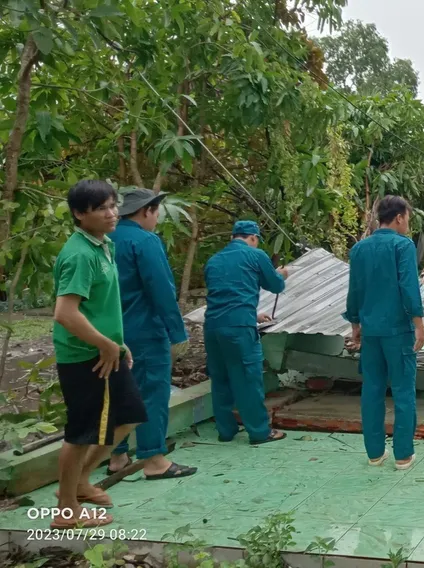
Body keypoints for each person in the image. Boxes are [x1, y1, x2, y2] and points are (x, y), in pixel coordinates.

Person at [50, 180, 147, 528]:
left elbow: (98, 308)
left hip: (107, 351)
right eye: (102, 208)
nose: (112, 213)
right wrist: (105, 344)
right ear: (79, 214)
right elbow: (65, 313)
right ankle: (66, 510)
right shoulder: (79, 254)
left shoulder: (102, 246)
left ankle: (81, 481)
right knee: (82, 432)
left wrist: (117, 342)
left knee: (129, 415)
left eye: (112, 205)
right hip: (86, 357)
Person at [104, 188, 196, 480]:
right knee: (152, 393)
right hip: (144, 331)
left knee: (115, 393)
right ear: (147, 211)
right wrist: (177, 332)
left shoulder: (103, 240)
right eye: (156, 213)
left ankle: (117, 456)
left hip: (107, 333)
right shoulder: (145, 241)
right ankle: (154, 460)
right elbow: (161, 290)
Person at [344, 196, 424, 469]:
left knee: (372, 391)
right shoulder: (403, 246)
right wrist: (419, 325)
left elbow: (354, 290)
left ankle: (375, 454)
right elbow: (409, 288)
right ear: (399, 217)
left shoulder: (359, 249)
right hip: (398, 331)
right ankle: (403, 455)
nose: (407, 225)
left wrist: (355, 325)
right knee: (403, 391)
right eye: (407, 219)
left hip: (371, 332)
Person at [203, 220, 288, 445]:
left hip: (212, 327)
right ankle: (260, 432)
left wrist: (254, 315)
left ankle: (226, 431)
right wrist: (283, 274)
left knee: (220, 379)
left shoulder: (213, 260)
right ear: (252, 238)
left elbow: (226, 295)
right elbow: (276, 285)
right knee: (248, 379)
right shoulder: (256, 255)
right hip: (239, 329)